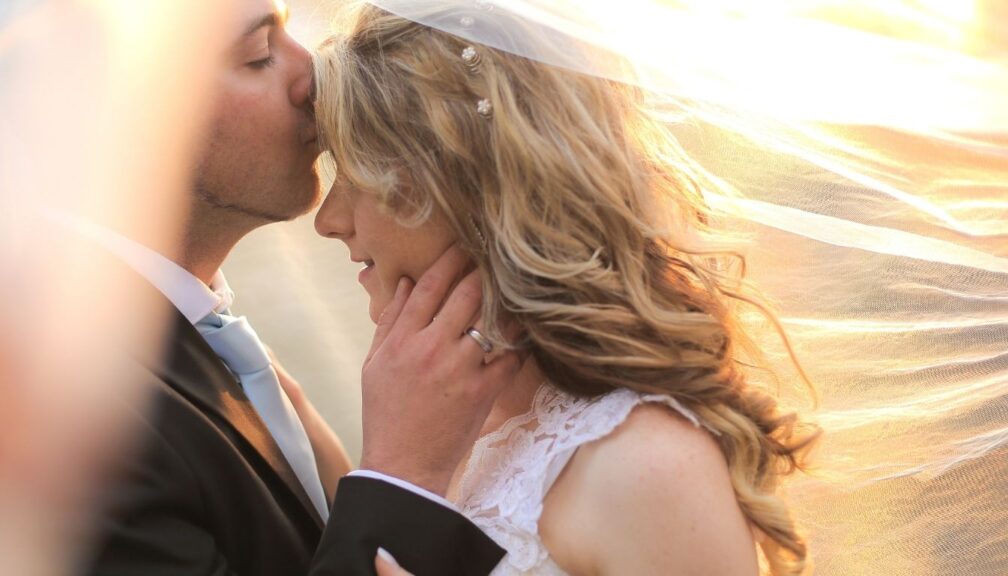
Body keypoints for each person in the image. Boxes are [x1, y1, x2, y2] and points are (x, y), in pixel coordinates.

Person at [312, 2, 821, 575]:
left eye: (356, 175)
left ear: (471, 189)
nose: (328, 219)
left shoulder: (646, 465)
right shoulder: (437, 419)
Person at [82, 1, 519, 575]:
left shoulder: (199, 338)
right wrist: (400, 476)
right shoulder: (69, 422)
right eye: (258, 56)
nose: (311, 71)